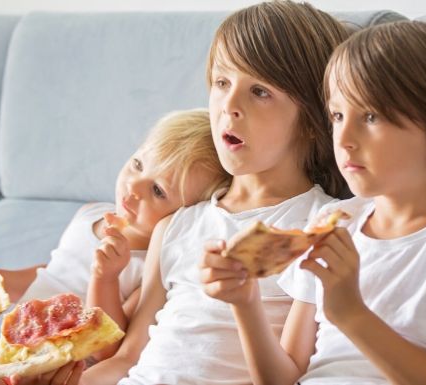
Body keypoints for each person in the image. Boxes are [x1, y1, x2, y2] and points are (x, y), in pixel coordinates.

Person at [202, 20, 426, 385]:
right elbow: (282, 378)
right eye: (337, 115)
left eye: (370, 116)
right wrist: (246, 303)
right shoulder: (335, 222)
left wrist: (352, 315)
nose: (344, 138)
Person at [59, 2, 350, 385]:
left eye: (259, 91)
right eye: (222, 83)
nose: (229, 106)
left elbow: (289, 374)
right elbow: (127, 358)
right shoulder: (177, 226)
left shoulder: (318, 230)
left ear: (313, 120)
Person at [0, 108, 230, 385]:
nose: (133, 188)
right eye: (137, 164)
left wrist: (105, 277)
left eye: (158, 191)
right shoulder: (89, 214)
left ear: (187, 215)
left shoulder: (151, 263)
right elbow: (48, 276)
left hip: (46, 374)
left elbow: (109, 349)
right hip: (1, 361)